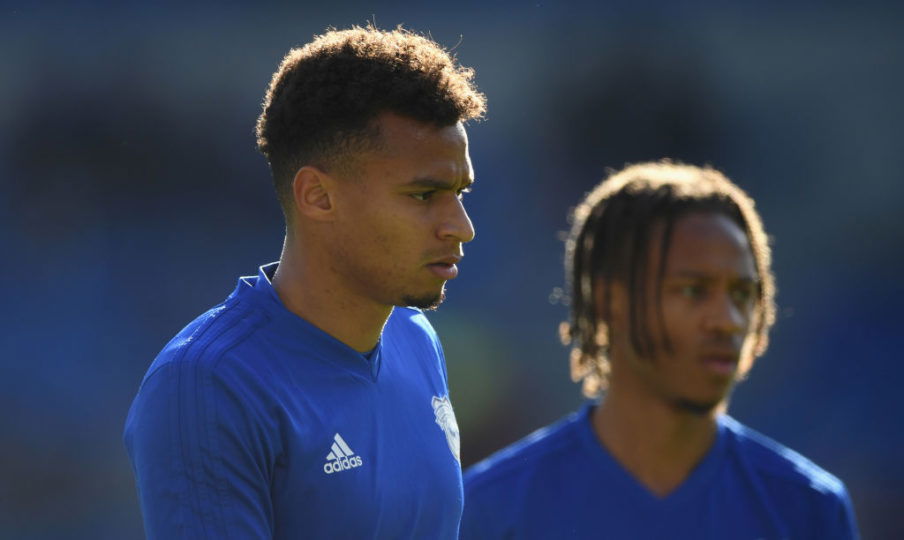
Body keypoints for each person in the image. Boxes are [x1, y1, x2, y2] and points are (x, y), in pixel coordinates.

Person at [123, 25, 486, 539]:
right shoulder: (209, 384)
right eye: (424, 195)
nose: (461, 226)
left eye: (460, 192)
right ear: (318, 196)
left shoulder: (415, 338)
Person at [461, 161, 859, 539]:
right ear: (608, 301)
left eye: (742, 294)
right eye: (692, 290)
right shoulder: (494, 509)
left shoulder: (807, 507)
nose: (727, 320)